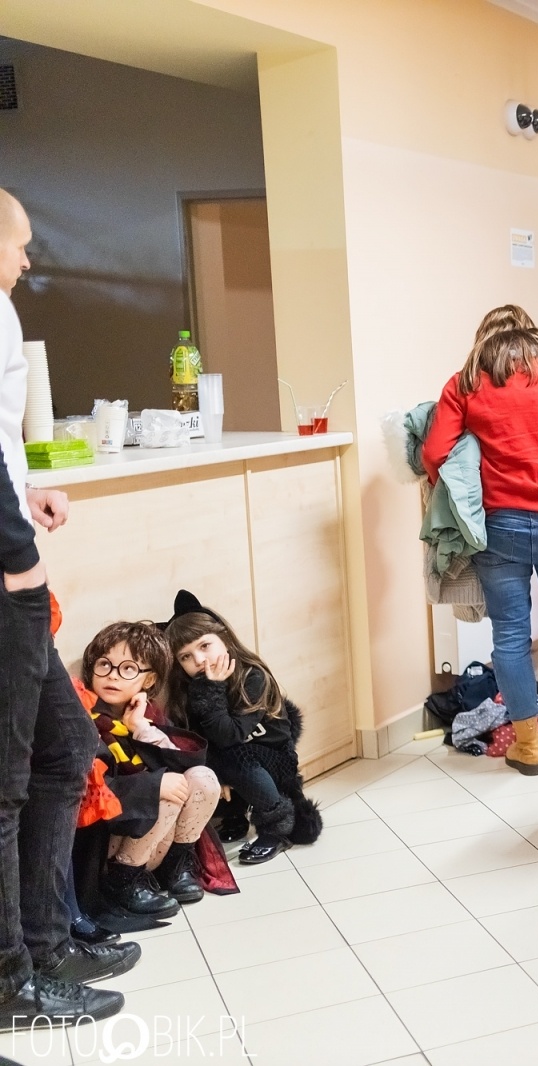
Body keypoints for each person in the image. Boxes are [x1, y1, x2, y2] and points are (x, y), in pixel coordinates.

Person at [0, 187, 128, 1027]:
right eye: (19, 242)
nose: (26, 257)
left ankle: (46, 945)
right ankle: (12, 979)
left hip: (11, 557)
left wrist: (25, 493)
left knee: (67, 745)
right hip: (5, 580)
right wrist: (17, 555)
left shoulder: (4, 313)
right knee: (7, 783)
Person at [421, 306, 538, 774]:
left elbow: (434, 452)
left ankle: (528, 747)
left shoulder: (465, 383)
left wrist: (452, 494)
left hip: (499, 527)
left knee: (509, 635)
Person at [165, 594, 322, 866]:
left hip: (274, 757)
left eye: (205, 646)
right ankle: (234, 815)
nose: (199, 660)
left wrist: (212, 689)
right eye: (186, 656)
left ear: (224, 638)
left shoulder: (252, 676)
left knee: (235, 755)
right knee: (202, 758)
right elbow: (200, 739)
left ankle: (277, 827)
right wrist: (217, 774)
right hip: (230, 755)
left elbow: (229, 736)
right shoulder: (191, 688)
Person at [82, 623, 219, 914]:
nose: (113, 676)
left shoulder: (147, 714)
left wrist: (141, 728)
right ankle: (124, 882)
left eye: (128, 668)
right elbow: (92, 792)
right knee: (161, 790)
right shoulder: (85, 719)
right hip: (111, 849)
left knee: (202, 777)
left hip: (157, 841)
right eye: (104, 664)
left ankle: (176, 868)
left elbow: (185, 763)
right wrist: (153, 786)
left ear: (149, 679)